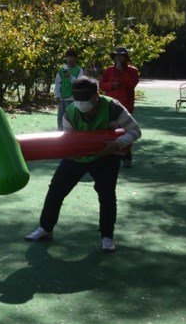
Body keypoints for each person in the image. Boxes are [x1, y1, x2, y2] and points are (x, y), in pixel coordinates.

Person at [24, 77, 141, 253]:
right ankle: (45, 229)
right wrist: (72, 151)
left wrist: (117, 144)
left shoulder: (113, 107)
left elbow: (135, 131)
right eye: (77, 100)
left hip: (106, 156)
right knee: (56, 190)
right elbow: (68, 139)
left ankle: (107, 236)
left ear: (96, 95)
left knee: (107, 195)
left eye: (85, 100)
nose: (81, 104)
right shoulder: (70, 112)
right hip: (77, 157)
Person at [100, 47, 140, 167]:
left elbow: (132, 85)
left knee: (126, 132)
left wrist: (122, 72)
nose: (118, 58)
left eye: (121, 56)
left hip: (126, 106)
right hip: (111, 105)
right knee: (109, 131)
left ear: (126, 58)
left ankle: (126, 155)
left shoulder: (133, 71)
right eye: (116, 56)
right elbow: (102, 85)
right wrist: (112, 85)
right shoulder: (108, 70)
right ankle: (109, 155)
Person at [54, 49, 84, 131]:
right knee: (61, 120)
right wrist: (57, 95)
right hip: (63, 100)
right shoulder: (61, 71)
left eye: (72, 57)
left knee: (72, 120)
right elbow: (57, 84)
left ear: (75, 58)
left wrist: (70, 77)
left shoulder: (79, 70)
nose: (70, 59)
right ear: (66, 58)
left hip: (74, 99)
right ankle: (60, 135)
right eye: (68, 57)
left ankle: (73, 136)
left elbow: (79, 83)